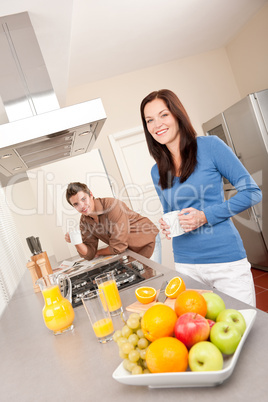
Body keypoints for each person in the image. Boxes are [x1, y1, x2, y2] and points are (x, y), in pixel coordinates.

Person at [140, 89, 262, 306]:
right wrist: (167, 224)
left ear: (177, 115)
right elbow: (171, 211)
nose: (157, 124)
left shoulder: (210, 146)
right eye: (149, 120)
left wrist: (205, 216)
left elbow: (252, 192)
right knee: (203, 334)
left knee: (244, 327)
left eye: (163, 115)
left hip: (226, 261)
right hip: (186, 265)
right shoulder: (155, 170)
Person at [64, 182, 161, 263]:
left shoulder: (112, 206)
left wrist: (99, 252)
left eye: (83, 199)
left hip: (146, 240)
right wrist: (76, 242)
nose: (82, 206)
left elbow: (118, 246)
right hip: (129, 250)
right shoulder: (85, 221)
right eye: (76, 204)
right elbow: (89, 254)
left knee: (152, 280)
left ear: (91, 195)